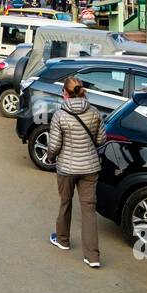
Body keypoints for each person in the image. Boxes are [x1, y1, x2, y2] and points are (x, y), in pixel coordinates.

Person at [45, 75, 105, 269]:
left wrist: (51, 157)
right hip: (90, 168)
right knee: (89, 210)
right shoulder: (94, 112)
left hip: (66, 169)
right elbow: (101, 139)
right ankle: (92, 256)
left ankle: (62, 240)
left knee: (65, 202)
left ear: (65, 93)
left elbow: (54, 145)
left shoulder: (60, 115)